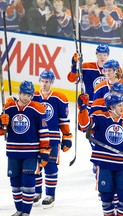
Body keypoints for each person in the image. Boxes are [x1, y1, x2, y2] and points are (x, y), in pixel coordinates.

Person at [77, 93, 123, 216]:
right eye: (119, 105)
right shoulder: (100, 118)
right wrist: (83, 110)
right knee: (106, 196)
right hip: (104, 163)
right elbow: (84, 126)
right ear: (111, 107)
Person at [0, 81, 50, 216]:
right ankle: (19, 210)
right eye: (24, 94)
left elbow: (44, 132)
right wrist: (2, 122)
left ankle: (26, 213)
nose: (27, 97)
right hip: (13, 152)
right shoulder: (9, 107)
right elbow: (2, 131)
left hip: (31, 153)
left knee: (28, 182)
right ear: (19, 93)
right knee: (15, 183)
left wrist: (44, 151)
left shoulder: (37, 108)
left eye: (30, 95)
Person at [32, 70, 72, 208]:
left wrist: (67, 136)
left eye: (47, 81)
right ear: (39, 81)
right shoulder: (32, 96)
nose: (44, 84)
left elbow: (63, 119)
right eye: (42, 81)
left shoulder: (59, 98)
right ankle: (37, 192)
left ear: (52, 83)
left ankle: (50, 194)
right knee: (35, 166)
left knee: (50, 166)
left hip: (52, 138)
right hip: (35, 138)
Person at [67, 44, 110, 108]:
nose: (102, 57)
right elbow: (73, 80)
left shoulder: (115, 69)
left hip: (107, 106)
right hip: (90, 105)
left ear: (108, 55)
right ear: (96, 54)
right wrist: (74, 67)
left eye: (104, 55)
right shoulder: (86, 67)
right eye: (100, 54)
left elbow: (119, 85)